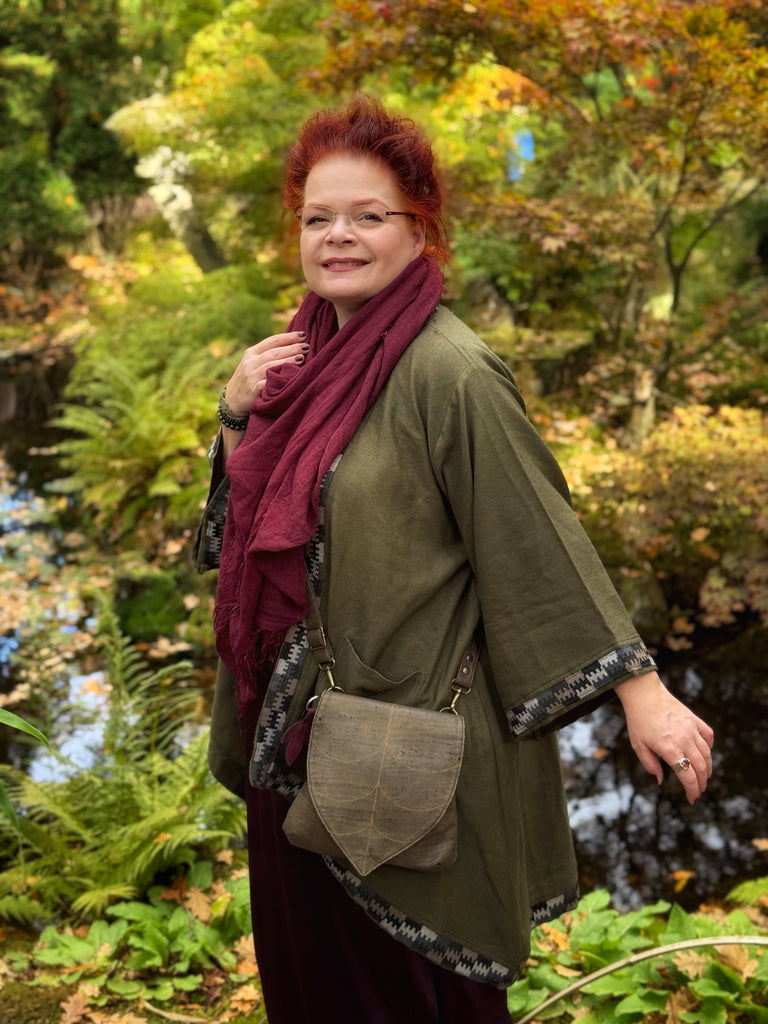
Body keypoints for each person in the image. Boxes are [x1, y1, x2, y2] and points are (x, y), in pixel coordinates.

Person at [195, 96, 714, 1024]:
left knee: (411, 996)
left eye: (367, 215)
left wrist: (642, 691)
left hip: (401, 750)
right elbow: (245, 535)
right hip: (291, 731)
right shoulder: (299, 356)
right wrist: (237, 413)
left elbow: (534, 532)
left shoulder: (452, 371)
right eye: (317, 218)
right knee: (312, 988)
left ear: (420, 227)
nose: (337, 236)